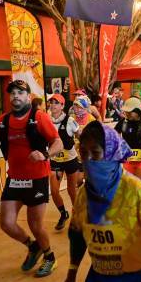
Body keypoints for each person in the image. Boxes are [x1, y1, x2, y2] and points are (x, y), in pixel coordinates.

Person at [60, 121, 141, 282]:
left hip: (138, 278)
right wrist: (71, 274)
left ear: (112, 154)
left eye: (96, 153)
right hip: (101, 279)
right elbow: (77, 236)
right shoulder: (84, 195)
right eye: (84, 153)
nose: (88, 160)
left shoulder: (137, 192)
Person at [0, 80, 64, 277]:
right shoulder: (3, 121)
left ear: (28, 96)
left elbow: (57, 142)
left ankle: (49, 257)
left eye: (20, 92)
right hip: (15, 179)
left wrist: (45, 155)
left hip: (37, 178)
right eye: (12, 93)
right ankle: (32, 247)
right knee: (6, 224)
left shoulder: (39, 117)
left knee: (36, 225)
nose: (15, 95)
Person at [48, 94, 82, 232]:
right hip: (55, 160)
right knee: (54, 191)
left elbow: (79, 134)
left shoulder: (70, 121)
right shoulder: (46, 121)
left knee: (71, 190)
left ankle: (78, 216)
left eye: (56, 103)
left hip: (70, 160)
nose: (53, 105)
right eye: (51, 103)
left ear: (62, 106)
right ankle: (63, 213)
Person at [115, 97, 141, 183]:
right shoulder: (123, 122)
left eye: (130, 111)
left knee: (137, 186)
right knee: (128, 188)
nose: (127, 113)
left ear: (138, 111)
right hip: (127, 162)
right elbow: (114, 136)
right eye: (126, 111)